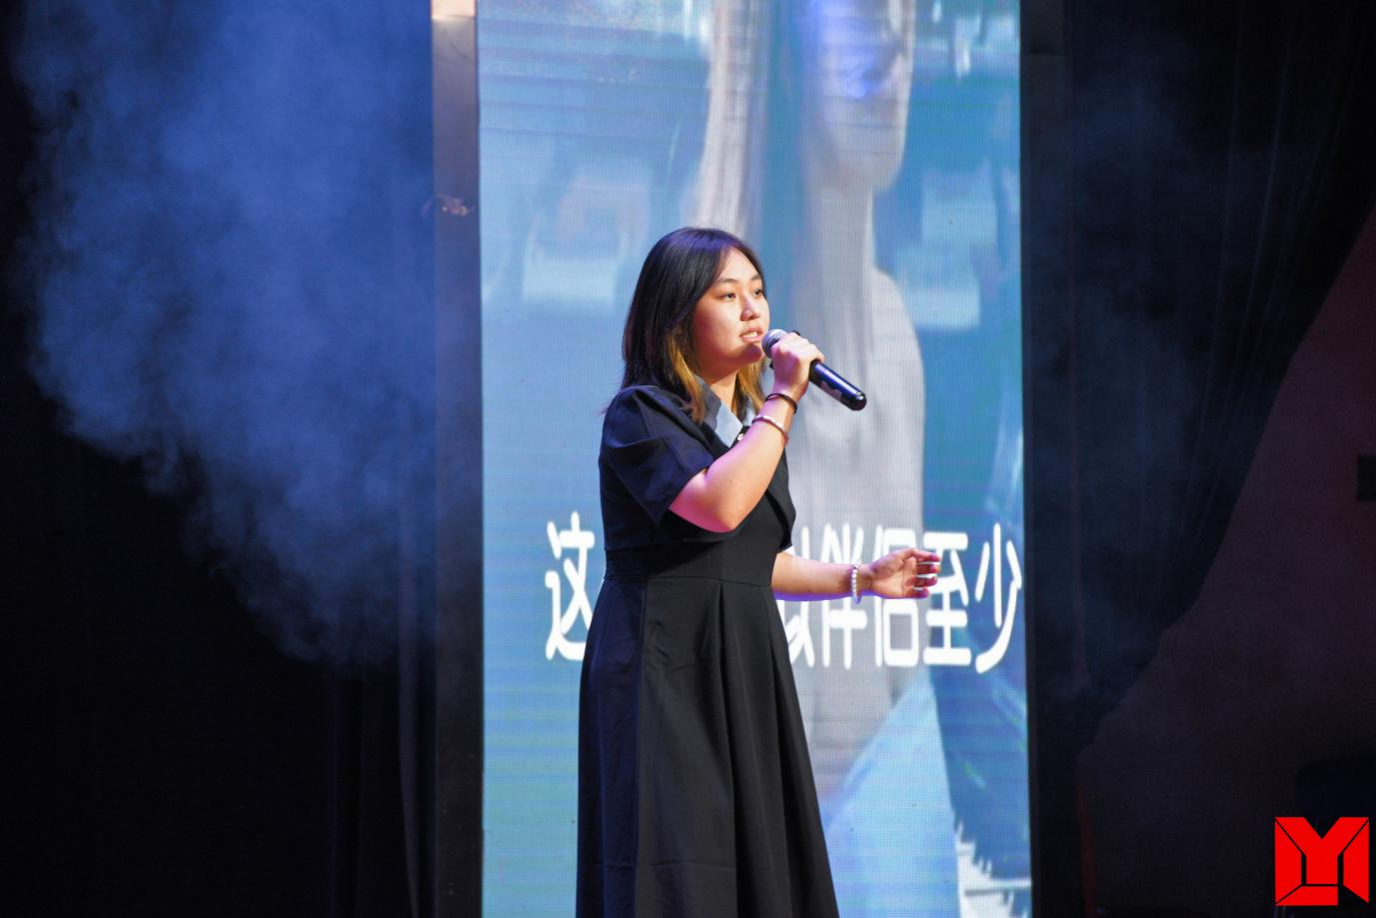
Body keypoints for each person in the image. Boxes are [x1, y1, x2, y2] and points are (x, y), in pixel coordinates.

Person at [577, 226, 941, 918]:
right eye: (727, 295)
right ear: (677, 315)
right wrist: (785, 398)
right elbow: (717, 507)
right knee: (679, 862)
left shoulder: (745, 428)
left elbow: (755, 560)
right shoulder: (641, 413)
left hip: (743, 660)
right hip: (667, 668)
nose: (754, 311)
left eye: (759, 292)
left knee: (759, 865)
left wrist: (862, 579)